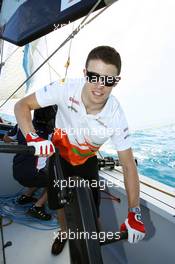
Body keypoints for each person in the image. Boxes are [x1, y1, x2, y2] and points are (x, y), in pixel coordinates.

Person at [14, 46, 146, 254]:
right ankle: (65, 233)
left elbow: (129, 166)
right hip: (58, 155)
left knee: (94, 212)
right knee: (58, 204)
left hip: (86, 160)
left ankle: (95, 246)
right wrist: (32, 136)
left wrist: (134, 212)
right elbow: (22, 105)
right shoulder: (65, 88)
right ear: (84, 73)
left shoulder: (116, 116)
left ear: (116, 81)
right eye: (94, 77)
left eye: (108, 80)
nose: (99, 86)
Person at [4, 106, 57, 220]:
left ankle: (26, 196)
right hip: (32, 175)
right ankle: (37, 207)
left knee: (37, 171)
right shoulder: (50, 134)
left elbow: (6, 138)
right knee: (57, 181)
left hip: (17, 171)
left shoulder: (21, 126)